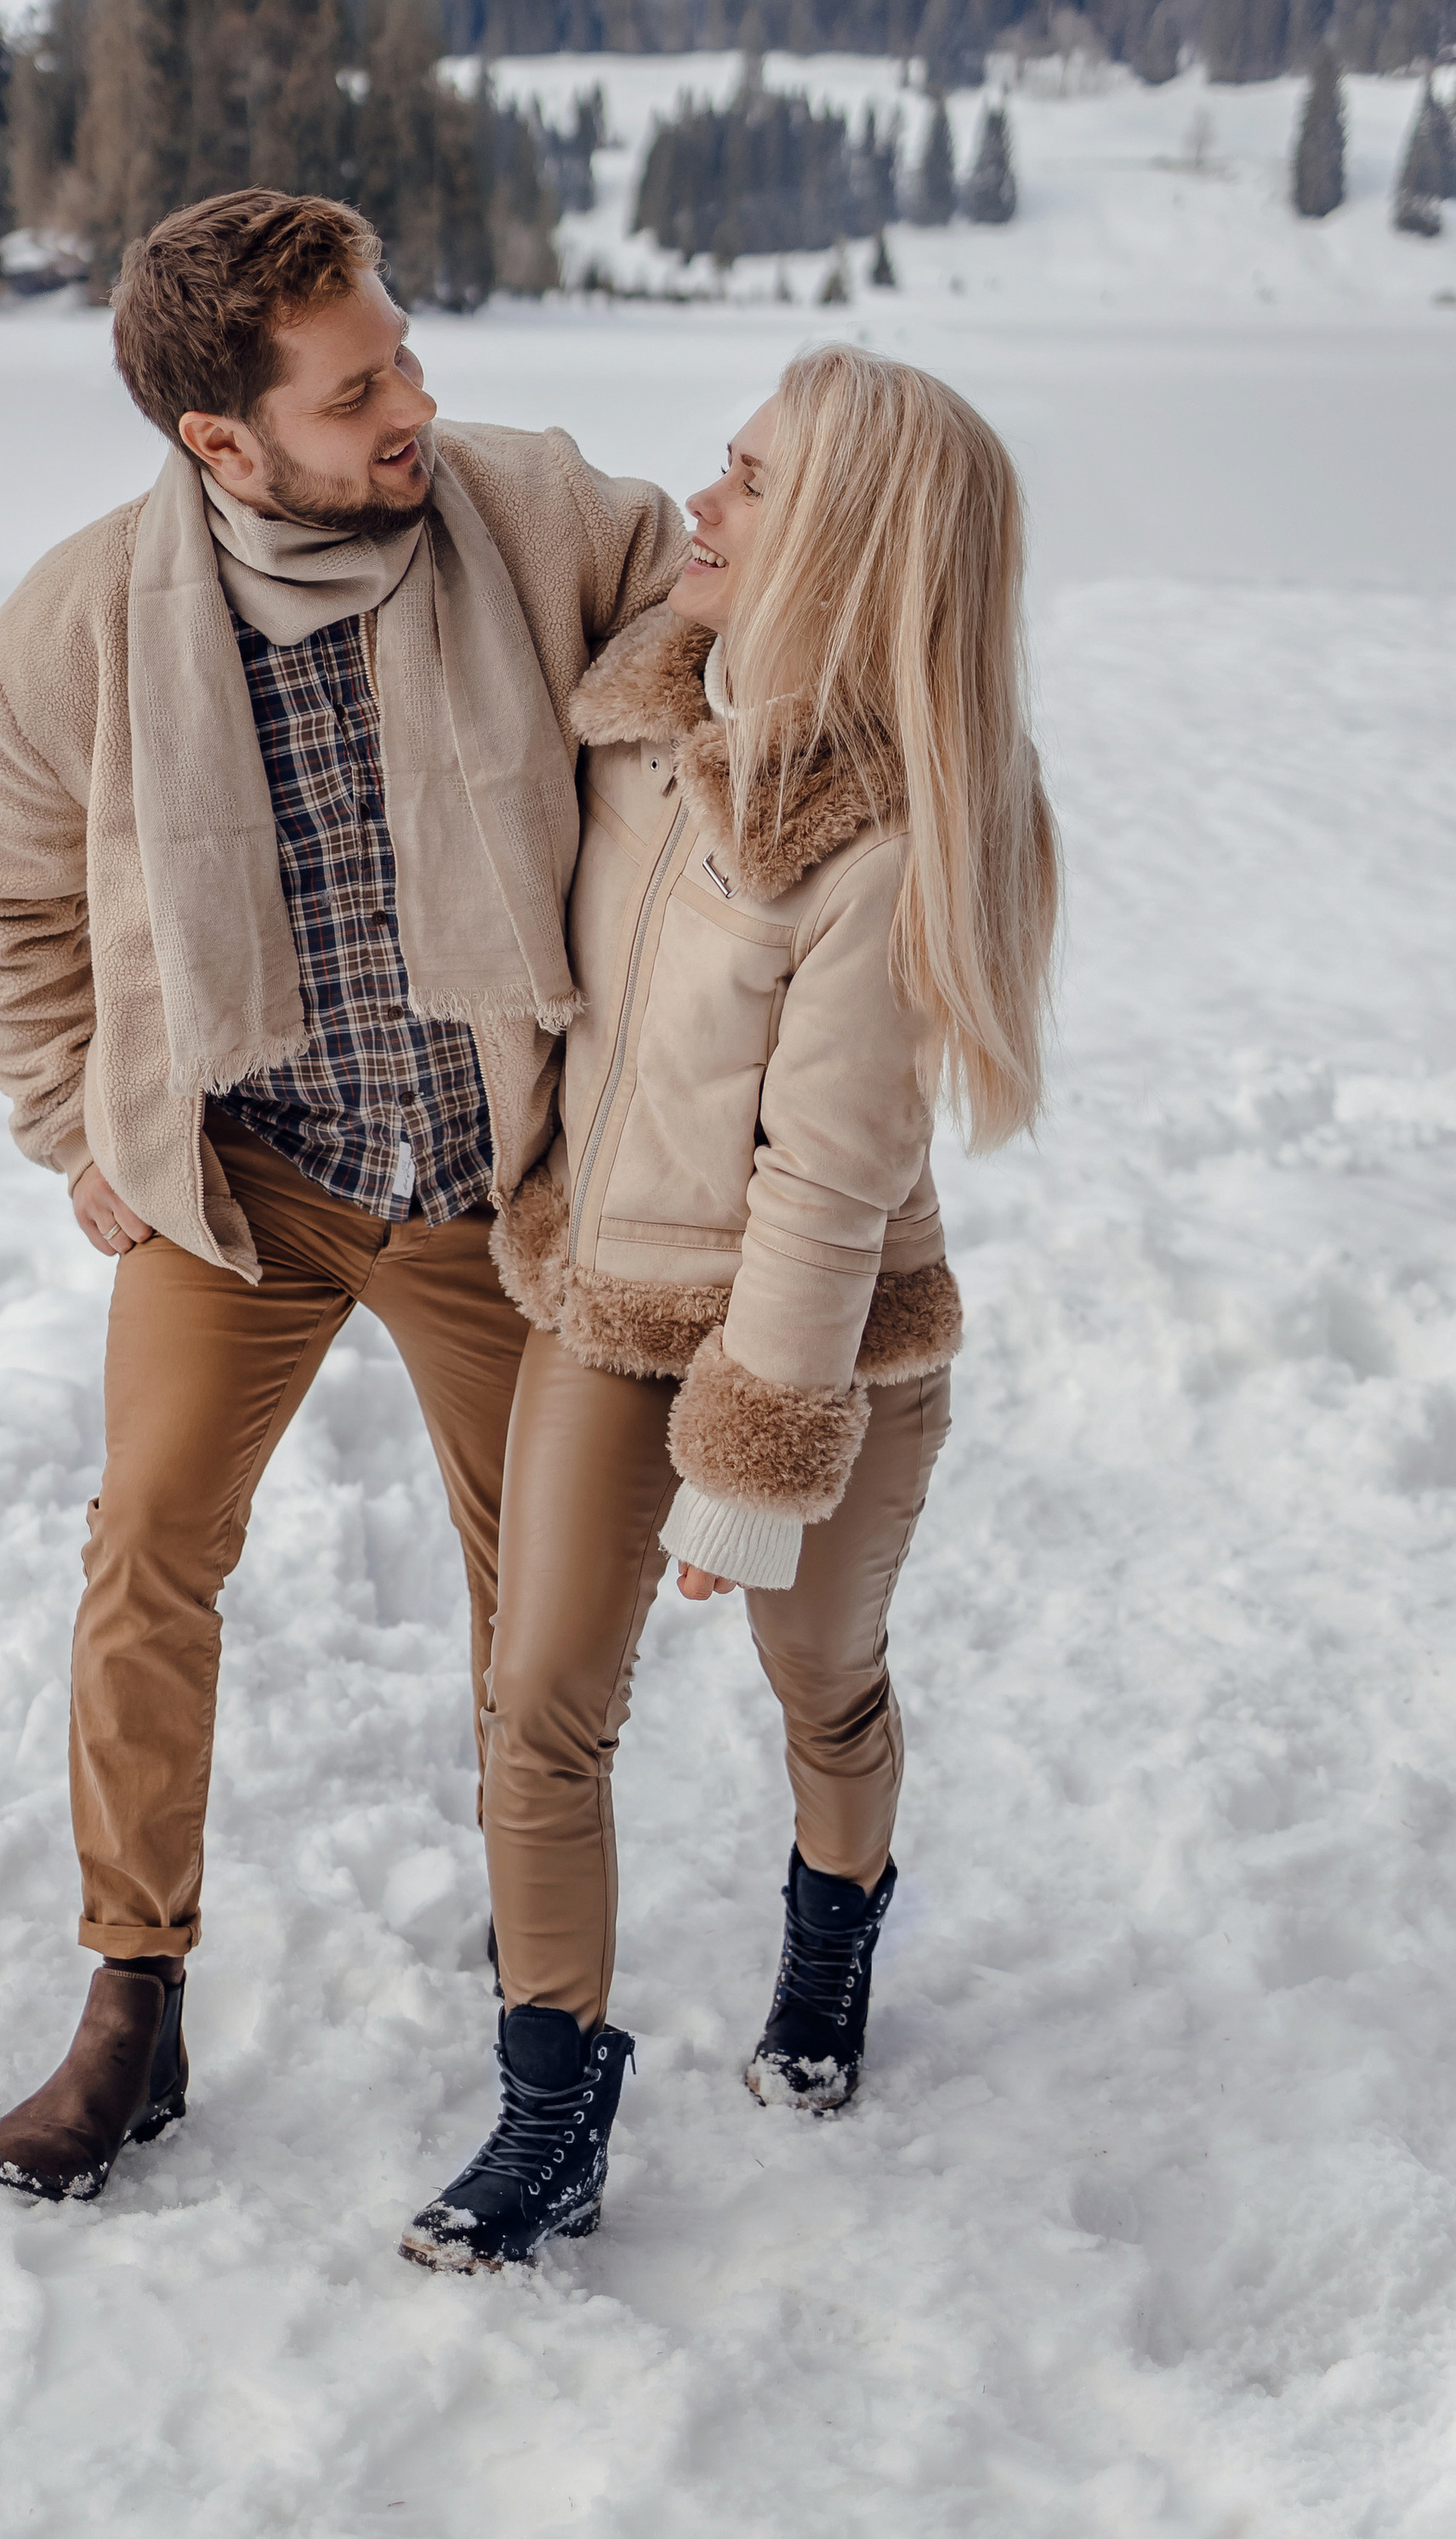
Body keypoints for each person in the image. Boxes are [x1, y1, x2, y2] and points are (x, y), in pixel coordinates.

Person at [0, 187, 685, 2202]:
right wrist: (74, 1127)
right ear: (221, 441)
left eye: (406, 353)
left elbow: (723, 615)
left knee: (545, 1612)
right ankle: (129, 1997)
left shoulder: (527, 514)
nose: (413, 403)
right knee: (146, 1553)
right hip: (240, 1189)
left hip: (487, 1194)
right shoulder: (82, 621)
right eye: (360, 393)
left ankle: (542, 2009)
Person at [401, 343, 1061, 2272]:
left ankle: (830, 1940)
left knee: (816, 1680)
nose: (700, 501)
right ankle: (548, 2115)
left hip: (821, 1340)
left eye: (750, 482)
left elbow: (825, 1177)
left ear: (842, 543)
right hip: (601, 1297)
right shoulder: (637, 719)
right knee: (536, 1707)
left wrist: (752, 1462)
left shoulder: (881, 830)